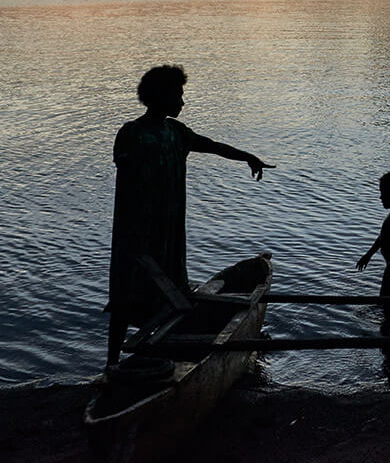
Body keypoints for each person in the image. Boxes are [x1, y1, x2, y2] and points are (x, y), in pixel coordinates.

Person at [106, 65, 274, 366]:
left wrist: (248, 157)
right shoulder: (132, 133)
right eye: (178, 95)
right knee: (126, 295)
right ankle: (111, 363)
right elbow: (127, 173)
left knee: (168, 290)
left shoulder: (176, 132)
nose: (182, 102)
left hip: (168, 229)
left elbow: (213, 146)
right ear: (159, 96)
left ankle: (162, 355)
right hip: (137, 230)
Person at [357, 170, 390, 333]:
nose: (380, 197)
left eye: (383, 193)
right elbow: (382, 238)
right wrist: (368, 255)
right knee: (387, 294)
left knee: (385, 295)